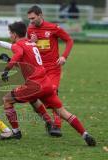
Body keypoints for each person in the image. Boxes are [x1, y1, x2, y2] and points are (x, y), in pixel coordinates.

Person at [0, 21, 96, 147]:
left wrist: (7, 70)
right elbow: (27, 61)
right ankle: (85, 134)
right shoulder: (32, 44)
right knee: (62, 112)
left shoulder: (18, 44)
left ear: (15, 34)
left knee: (7, 100)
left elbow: (18, 54)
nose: (9, 36)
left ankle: (16, 132)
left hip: (34, 85)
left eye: (10, 33)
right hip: (46, 83)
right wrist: (9, 60)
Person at [27, 5, 74, 136]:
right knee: (34, 98)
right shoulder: (30, 29)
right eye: (29, 19)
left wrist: (64, 56)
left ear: (40, 15)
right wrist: (31, 42)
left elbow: (69, 40)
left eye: (33, 18)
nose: (31, 21)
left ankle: (57, 126)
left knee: (52, 94)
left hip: (53, 69)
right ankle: (48, 122)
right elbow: (29, 47)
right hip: (38, 70)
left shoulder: (53, 28)